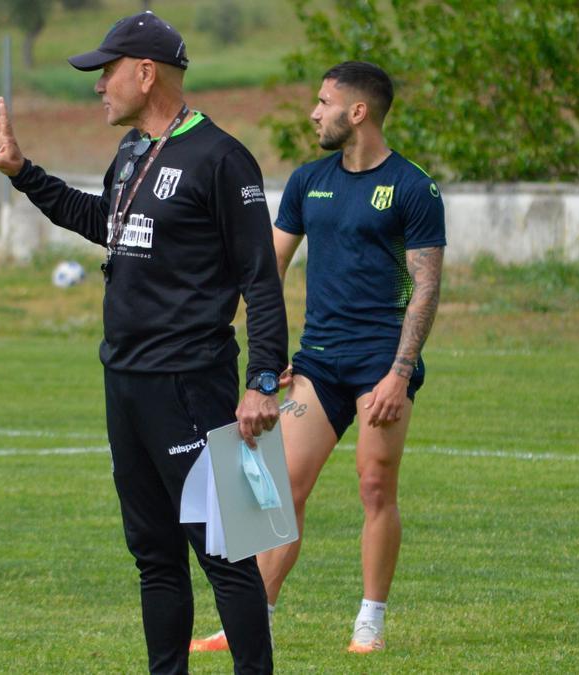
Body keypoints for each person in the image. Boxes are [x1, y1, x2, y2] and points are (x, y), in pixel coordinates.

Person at [0, 11, 287, 674]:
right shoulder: (132, 154)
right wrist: (23, 171)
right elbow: (102, 221)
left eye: (107, 72)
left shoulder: (223, 157)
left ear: (146, 74)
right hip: (126, 381)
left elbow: (261, 279)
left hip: (195, 383)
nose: (99, 87)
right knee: (153, 554)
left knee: (230, 550)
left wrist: (263, 380)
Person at [191, 61, 445, 655]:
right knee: (273, 491)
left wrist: (400, 373)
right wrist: (270, 357)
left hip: (382, 365)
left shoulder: (413, 187)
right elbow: (268, 273)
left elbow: (425, 288)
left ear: (358, 112)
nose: (314, 111)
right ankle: (250, 619)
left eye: (324, 101)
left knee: (375, 486)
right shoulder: (308, 181)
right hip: (319, 364)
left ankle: (371, 620)